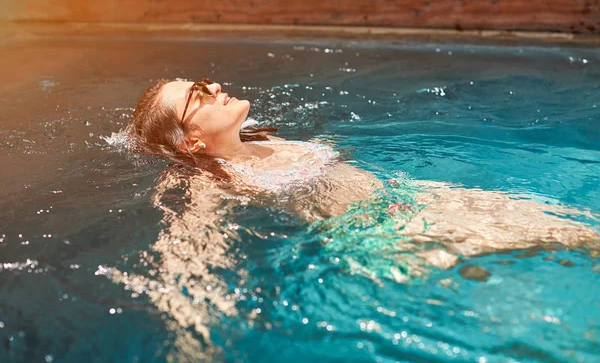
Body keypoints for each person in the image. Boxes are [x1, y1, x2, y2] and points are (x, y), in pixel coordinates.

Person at [105, 78, 598, 358]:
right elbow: (189, 248)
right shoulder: (208, 181)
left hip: (421, 199)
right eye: (197, 93)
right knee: (537, 324)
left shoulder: (256, 140)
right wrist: (192, 335)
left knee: (584, 236)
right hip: (388, 233)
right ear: (189, 141)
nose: (213, 84)